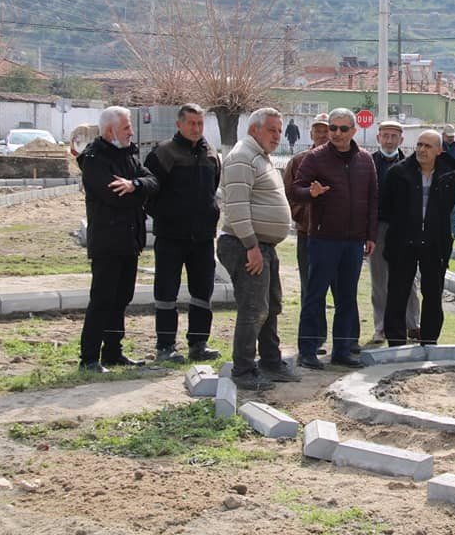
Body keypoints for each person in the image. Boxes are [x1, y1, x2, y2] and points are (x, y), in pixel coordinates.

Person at [217, 107, 299, 390]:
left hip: (263, 245)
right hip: (245, 245)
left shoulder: (260, 156)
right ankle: (243, 370)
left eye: (279, 131)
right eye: (271, 130)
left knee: (271, 306)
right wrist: (251, 246)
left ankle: (271, 362)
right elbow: (237, 207)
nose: (277, 136)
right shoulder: (242, 156)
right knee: (253, 308)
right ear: (254, 129)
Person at [291, 107, 378, 370]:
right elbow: (296, 189)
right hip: (323, 238)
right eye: (332, 128)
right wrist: (311, 193)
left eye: (343, 129)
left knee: (347, 297)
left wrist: (370, 235)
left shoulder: (365, 160)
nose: (337, 133)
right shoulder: (315, 157)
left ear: (353, 131)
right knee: (315, 295)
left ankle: (342, 350)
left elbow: (372, 199)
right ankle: (307, 351)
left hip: (354, 241)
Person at [77, 105, 159, 372]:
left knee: (122, 297)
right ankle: (89, 357)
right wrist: (138, 193)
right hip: (107, 241)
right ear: (110, 131)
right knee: (102, 299)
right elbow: (114, 197)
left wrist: (134, 185)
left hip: (129, 240)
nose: (131, 132)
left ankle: (113, 352)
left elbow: (152, 182)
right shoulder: (94, 159)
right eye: (126, 128)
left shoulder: (128, 154)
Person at [144, 103, 221, 364]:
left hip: (203, 238)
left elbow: (213, 187)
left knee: (203, 291)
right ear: (179, 124)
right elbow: (149, 194)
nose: (196, 128)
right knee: (167, 292)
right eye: (191, 123)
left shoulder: (211, 153)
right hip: (171, 237)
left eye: (200, 123)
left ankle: (198, 344)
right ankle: (166, 346)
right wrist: (170, 216)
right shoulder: (163, 153)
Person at [381, 130, 455, 346]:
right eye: (419, 145)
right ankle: (395, 341)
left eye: (428, 146)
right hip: (403, 242)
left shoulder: (448, 175)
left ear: (439, 150)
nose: (422, 150)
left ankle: (430, 340)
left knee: (433, 293)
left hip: (435, 242)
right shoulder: (398, 173)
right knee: (397, 292)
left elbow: (447, 208)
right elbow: (387, 207)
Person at [369, 120, 421, 344]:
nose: (389, 140)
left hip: (404, 228)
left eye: (394, 136)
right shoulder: (369, 163)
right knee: (379, 279)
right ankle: (381, 325)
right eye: (385, 135)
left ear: (401, 139)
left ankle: (412, 323)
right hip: (378, 226)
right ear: (378, 138)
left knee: (409, 278)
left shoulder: (411, 164)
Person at [283, 113, 331, 356]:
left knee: (341, 289)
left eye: (326, 130)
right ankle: (314, 338)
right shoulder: (299, 161)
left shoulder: (343, 160)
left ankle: (343, 340)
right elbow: (288, 194)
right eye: (318, 130)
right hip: (308, 233)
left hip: (338, 235)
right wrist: (302, 215)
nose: (322, 135)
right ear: (311, 133)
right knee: (310, 287)